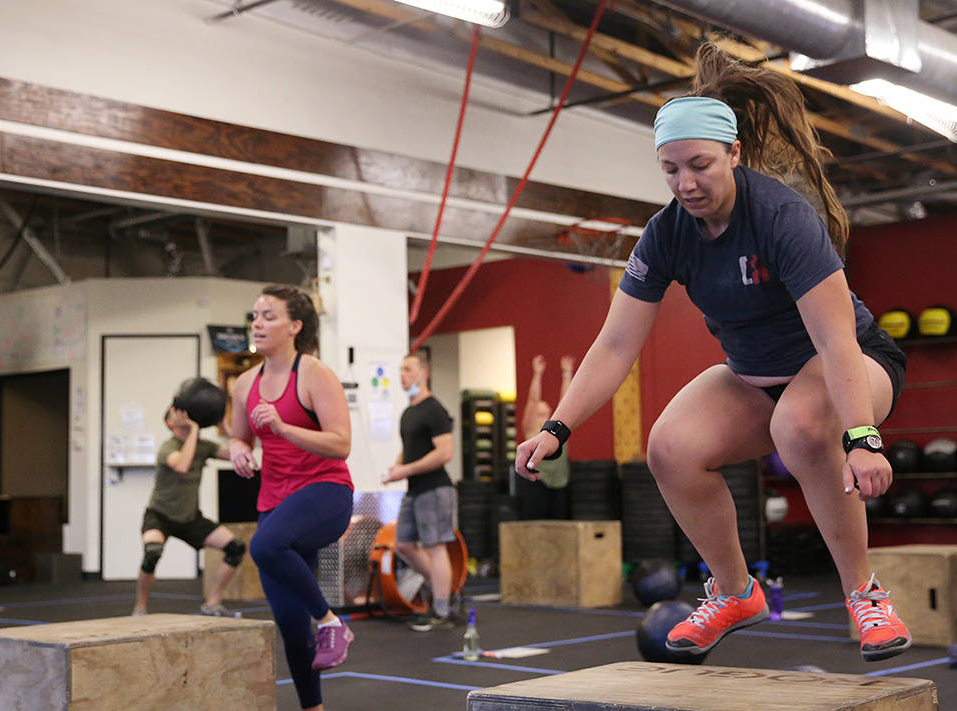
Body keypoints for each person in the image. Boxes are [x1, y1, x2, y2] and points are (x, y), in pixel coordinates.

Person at [516, 44, 911, 663]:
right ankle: (736, 593)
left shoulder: (781, 216)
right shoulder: (666, 233)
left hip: (853, 363)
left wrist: (862, 436)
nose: (686, 183)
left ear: (733, 154)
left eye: (699, 165)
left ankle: (865, 594)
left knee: (802, 425)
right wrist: (557, 427)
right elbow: (616, 343)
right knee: (669, 448)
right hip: (753, 377)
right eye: (670, 170)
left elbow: (834, 340)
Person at [228, 284, 354, 711]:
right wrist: (240, 453)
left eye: (269, 316)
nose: (257, 324)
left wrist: (282, 427)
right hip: (275, 500)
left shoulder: (314, 374)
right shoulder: (244, 383)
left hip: (325, 493)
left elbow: (341, 443)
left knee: (263, 545)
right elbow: (238, 437)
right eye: (255, 316)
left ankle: (332, 621)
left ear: (295, 326)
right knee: (288, 625)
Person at [133, 406, 244, 617]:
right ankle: (140, 607)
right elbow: (182, 465)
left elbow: (236, 455)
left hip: (190, 518)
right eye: (176, 414)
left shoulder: (203, 447)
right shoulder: (168, 447)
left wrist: (226, 427)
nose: (183, 416)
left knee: (235, 548)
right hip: (160, 516)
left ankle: (212, 603)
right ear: (169, 423)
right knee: (152, 554)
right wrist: (194, 430)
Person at [383, 351, 457, 631]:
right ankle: (443, 589)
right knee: (403, 545)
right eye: (401, 370)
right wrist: (396, 467)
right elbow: (410, 448)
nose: (403, 375)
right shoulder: (408, 412)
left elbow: (445, 453)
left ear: (424, 373)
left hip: (435, 489)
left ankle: (441, 610)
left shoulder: (434, 409)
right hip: (414, 490)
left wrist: (407, 469)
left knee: (435, 547)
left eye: (408, 369)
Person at [516, 354, 574, 520]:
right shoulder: (531, 429)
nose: (544, 417)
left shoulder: (557, 429)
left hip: (560, 483)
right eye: (540, 414)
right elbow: (533, 401)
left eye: (546, 413)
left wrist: (567, 374)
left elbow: (566, 401)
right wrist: (537, 373)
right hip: (537, 484)